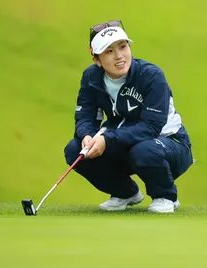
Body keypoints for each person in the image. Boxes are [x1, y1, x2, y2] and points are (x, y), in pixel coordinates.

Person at [64, 20, 193, 213]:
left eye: (123, 47)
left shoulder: (151, 75)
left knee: (144, 149)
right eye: (109, 51)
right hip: (124, 141)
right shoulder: (91, 77)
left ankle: (165, 196)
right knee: (76, 150)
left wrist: (107, 140)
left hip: (169, 143)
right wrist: (87, 136)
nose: (119, 56)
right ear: (97, 60)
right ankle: (125, 192)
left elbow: (150, 127)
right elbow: (85, 116)